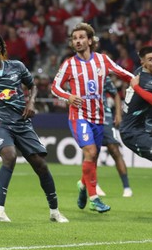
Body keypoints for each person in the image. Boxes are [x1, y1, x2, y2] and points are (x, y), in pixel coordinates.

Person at [0, 33, 68, 224]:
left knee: (40, 165)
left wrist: (31, 103)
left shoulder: (17, 67)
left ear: (1, 48)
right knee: (9, 155)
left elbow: (33, 86)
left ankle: (55, 211)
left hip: (22, 123)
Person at [51, 22, 133, 213]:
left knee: (93, 156)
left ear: (89, 40)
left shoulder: (102, 60)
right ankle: (94, 198)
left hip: (99, 117)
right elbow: (55, 87)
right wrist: (68, 96)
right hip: (79, 116)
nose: (78, 41)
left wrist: (140, 81)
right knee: (90, 151)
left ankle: (82, 185)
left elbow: (124, 73)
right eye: (75, 38)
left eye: (81, 37)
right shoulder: (69, 64)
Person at [96, 75, 133, 197]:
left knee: (115, 150)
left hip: (105, 117)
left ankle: (127, 187)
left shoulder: (102, 76)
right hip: (88, 117)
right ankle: (94, 185)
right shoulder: (79, 73)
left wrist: (118, 114)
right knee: (92, 152)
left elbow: (115, 94)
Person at [120, 45, 152, 161]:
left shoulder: (141, 72)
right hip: (132, 133)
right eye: (151, 60)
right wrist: (136, 88)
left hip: (145, 127)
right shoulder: (145, 81)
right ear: (142, 62)